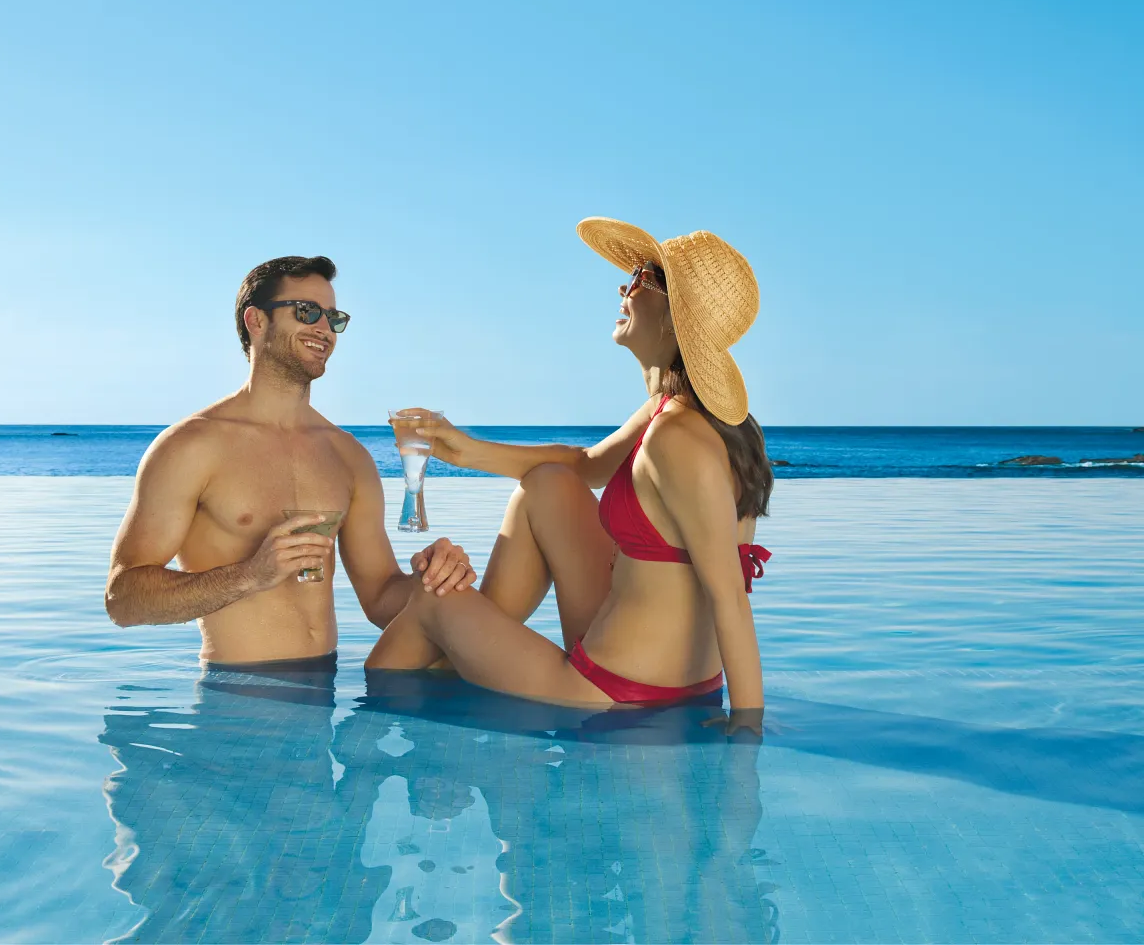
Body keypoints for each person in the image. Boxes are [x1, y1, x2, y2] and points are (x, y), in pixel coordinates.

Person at [366, 219, 773, 734]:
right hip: (661, 675)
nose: (624, 289)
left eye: (643, 278)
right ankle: (470, 647)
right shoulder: (669, 410)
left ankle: (373, 730)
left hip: (618, 693)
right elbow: (582, 465)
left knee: (429, 602)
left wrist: (748, 723)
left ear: (675, 320)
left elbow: (727, 592)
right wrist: (461, 448)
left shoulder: (678, 438)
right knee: (549, 484)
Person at [105, 255, 476, 666]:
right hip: (237, 699)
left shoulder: (347, 455)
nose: (324, 329)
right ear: (256, 321)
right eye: (307, 311)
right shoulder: (191, 446)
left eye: (333, 318)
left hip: (325, 691)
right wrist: (251, 575)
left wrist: (434, 580)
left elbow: (380, 599)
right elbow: (123, 600)